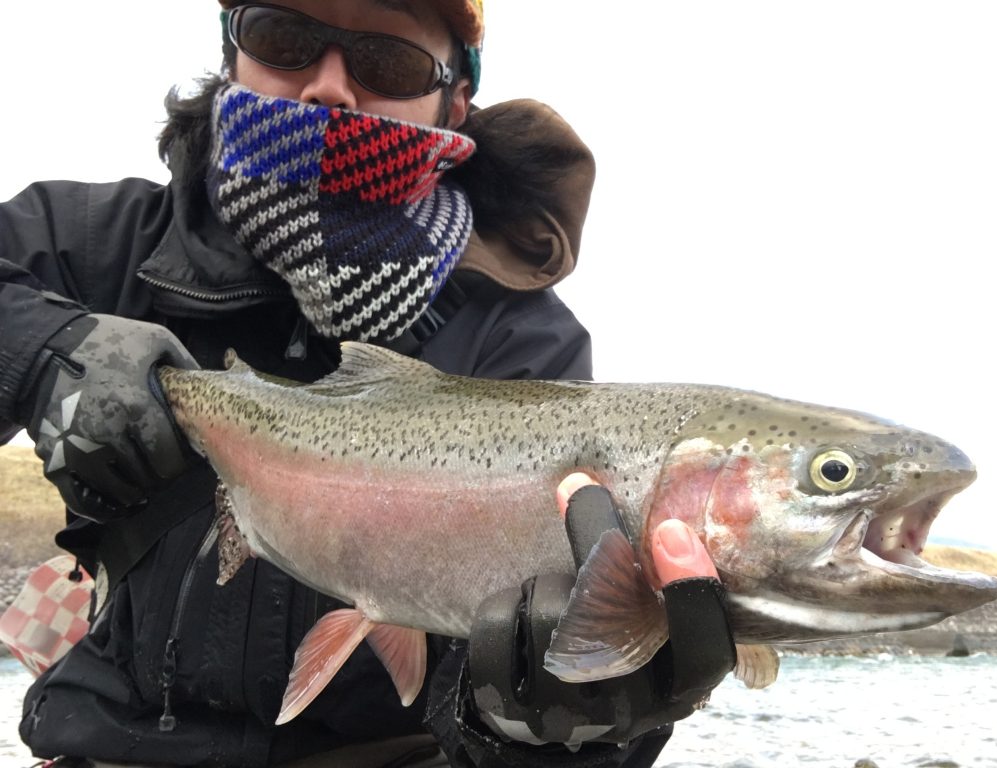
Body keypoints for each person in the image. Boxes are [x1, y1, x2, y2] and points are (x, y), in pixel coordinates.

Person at [0, 1, 736, 765]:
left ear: (455, 101)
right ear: (231, 56)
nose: (329, 88)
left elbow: (520, 683)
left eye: (386, 64)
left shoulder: (524, 340)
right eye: (283, 40)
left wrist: (558, 721)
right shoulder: (94, 242)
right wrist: (41, 350)